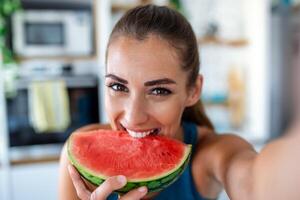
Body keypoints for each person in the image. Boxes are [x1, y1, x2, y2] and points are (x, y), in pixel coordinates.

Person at [58, 4, 300, 200]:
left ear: (193, 91)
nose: (133, 116)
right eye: (118, 86)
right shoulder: (79, 157)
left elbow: (253, 183)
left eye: (159, 91)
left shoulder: (210, 155)